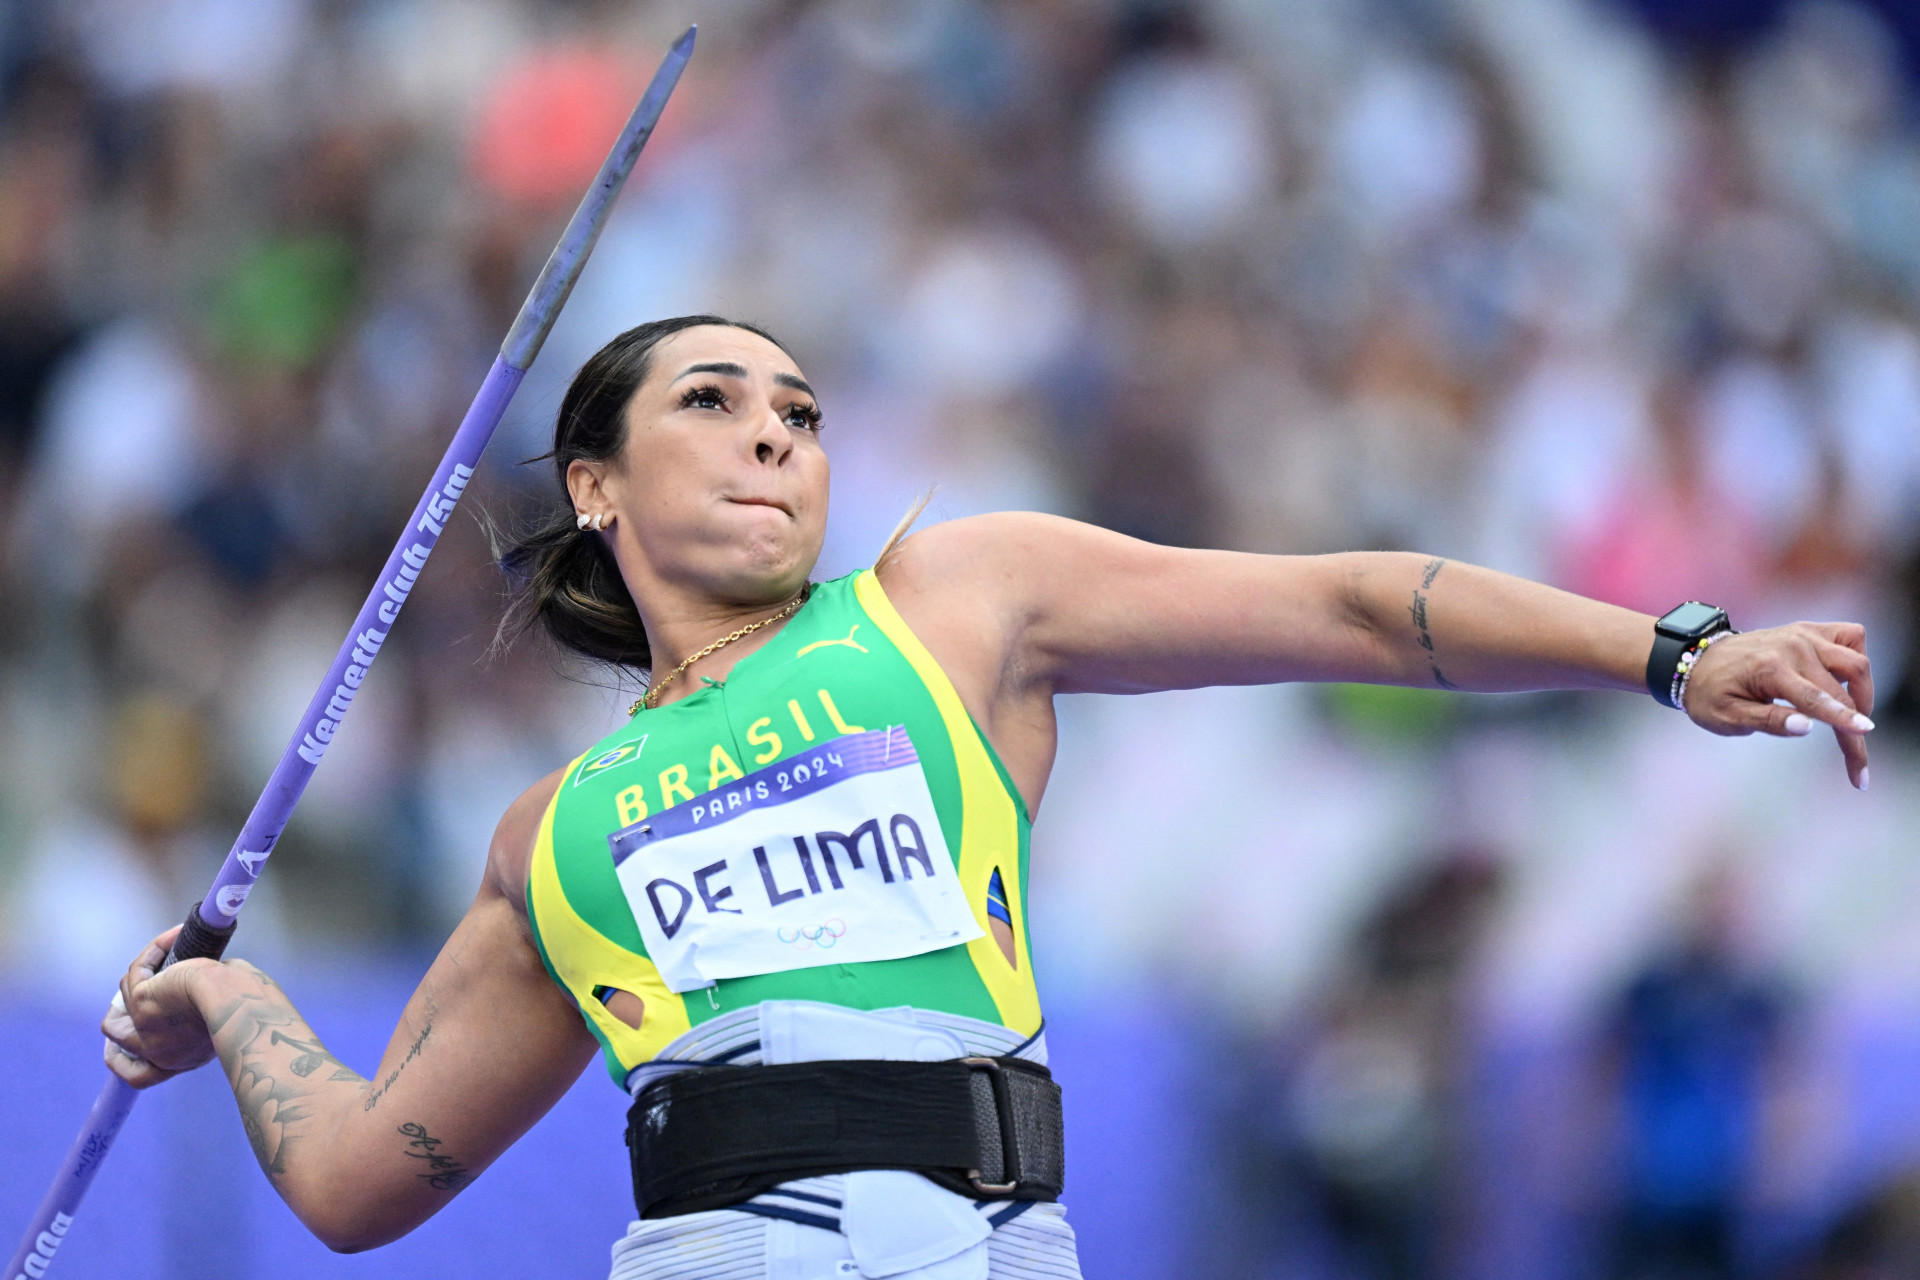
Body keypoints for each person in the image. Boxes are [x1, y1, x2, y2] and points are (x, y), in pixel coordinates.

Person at [101, 315, 1878, 1280]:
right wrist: (235, 1009)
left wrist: (1669, 650)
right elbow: (359, 1181)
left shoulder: (949, 605)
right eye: (713, 401)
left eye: (800, 409)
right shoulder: (552, 830)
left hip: (989, 1248)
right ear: (596, 485)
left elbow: (1348, 606)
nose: (775, 433)